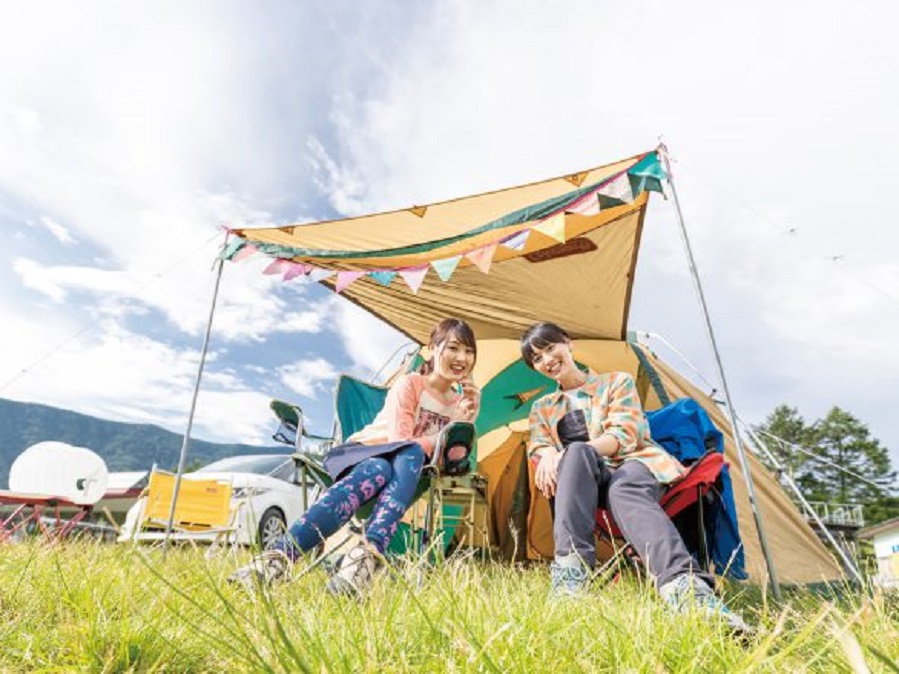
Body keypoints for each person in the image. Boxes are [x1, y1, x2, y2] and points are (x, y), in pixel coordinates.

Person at [521, 322, 750, 631]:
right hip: (589, 482)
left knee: (620, 486)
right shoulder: (542, 407)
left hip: (635, 463)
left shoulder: (616, 382)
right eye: (537, 358)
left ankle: (689, 594)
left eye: (550, 348)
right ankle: (570, 580)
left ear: (568, 343)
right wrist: (548, 453)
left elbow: (625, 435)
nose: (547, 360)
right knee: (575, 454)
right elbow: (538, 442)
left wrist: (568, 451)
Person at [230, 318, 480, 596]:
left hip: (406, 477)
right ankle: (365, 556)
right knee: (386, 462)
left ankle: (276, 561)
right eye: (454, 348)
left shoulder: (461, 404)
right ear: (433, 348)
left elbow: (450, 463)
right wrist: (442, 435)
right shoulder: (411, 384)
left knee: (387, 468)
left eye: (469, 351)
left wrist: (465, 423)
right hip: (362, 455)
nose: (462, 358)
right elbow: (399, 442)